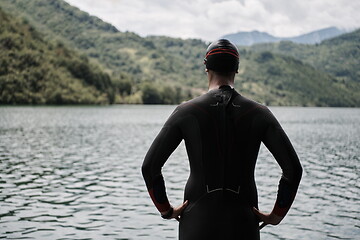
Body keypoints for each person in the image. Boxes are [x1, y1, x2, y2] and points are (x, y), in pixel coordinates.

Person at [141, 39, 302, 240]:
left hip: (196, 223)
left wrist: (166, 210)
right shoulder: (259, 113)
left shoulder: (186, 112)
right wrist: (277, 214)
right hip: (243, 222)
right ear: (236, 69)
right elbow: (293, 170)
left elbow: (149, 167)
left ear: (206, 67)